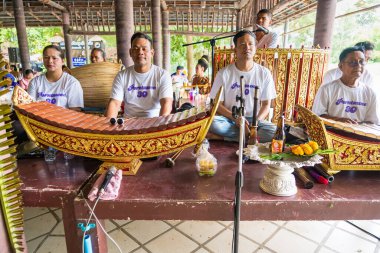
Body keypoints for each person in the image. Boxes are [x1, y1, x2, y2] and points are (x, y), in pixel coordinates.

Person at [209, 30, 277, 143]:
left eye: (251, 44)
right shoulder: (224, 73)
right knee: (213, 123)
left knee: (274, 131)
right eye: (242, 44)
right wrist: (237, 119)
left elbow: (266, 105)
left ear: (255, 48)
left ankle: (226, 138)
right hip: (231, 119)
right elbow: (216, 105)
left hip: (254, 120)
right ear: (235, 49)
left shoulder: (264, 73)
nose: (247, 47)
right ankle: (249, 138)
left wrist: (254, 125)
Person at [105, 32, 173, 118]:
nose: (140, 52)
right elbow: (114, 103)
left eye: (144, 49)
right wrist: (109, 126)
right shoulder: (122, 76)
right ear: (130, 52)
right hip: (129, 124)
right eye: (136, 49)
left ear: (152, 53)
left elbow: (166, 103)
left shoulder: (163, 75)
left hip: (155, 123)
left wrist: (160, 126)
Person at [312, 46, 379, 125]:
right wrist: (337, 120)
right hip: (331, 134)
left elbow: (373, 122)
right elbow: (316, 117)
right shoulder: (327, 89)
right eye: (352, 62)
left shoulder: (370, 93)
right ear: (341, 66)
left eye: (361, 62)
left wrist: (357, 126)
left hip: (357, 136)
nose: (358, 65)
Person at [28, 45, 84, 110]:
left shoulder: (72, 83)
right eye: (46, 57)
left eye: (54, 58)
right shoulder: (35, 82)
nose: (50, 61)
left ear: (63, 61)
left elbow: (75, 112)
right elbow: (30, 108)